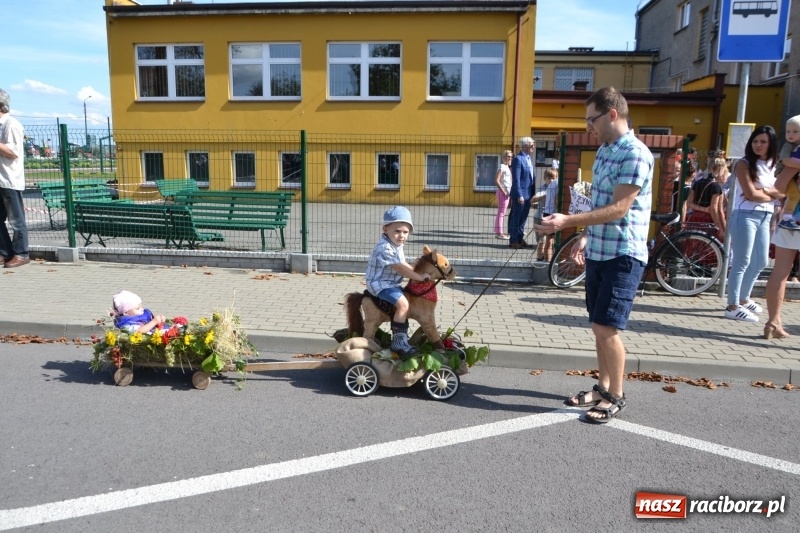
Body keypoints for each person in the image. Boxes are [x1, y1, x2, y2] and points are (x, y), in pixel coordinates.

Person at [535, 87, 653, 424]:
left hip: (623, 254)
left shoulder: (635, 153)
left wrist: (567, 222)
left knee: (606, 328)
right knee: (598, 326)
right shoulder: (604, 150)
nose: (589, 126)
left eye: (592, 119)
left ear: (612, 115)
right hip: (600, 250)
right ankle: (603, 387)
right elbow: (599, 203)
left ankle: (616, 395)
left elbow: (618, 208)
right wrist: (584, 236)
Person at [724, 125, 785, 323]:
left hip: (766, 216)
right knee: (742, 261)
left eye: (763, 141)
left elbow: (783, 192)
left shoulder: (774, 164)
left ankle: (744, 299)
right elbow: (750, 194)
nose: (758, 145)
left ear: (771, 143)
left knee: (760, 262)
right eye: (755, 141)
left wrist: (764, 193)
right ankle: (732, 306)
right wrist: (772, 193)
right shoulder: (744, 164)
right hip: (745, 215)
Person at [365, 206, 431, 359]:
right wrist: (419, 277)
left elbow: (403, 263)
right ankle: (398, 343)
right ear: (385, 229)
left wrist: (415, 271)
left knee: (407, 300)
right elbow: (400, 268)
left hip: (391, 283)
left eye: (405, 232)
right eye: (397, 231)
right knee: (403, 304)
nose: (401, 236)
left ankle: (402, 337)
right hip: (380, 284)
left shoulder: (397, 245)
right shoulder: (385, 248)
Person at [764, 161, 800, 339]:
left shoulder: (795, 158)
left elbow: (778, 186)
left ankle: (773, 322)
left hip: (790, 220)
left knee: (780, 272)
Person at [0, 89, 30, 268]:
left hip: (9, 180)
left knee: (16, 221)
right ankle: (5, 252)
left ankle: (21, 254)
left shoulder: (11, 125)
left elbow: (12, 152)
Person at [685, 156, 727, 239]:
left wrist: (703, 209)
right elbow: (715, 209)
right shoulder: (716, 186)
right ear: (720, 169)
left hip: (694, 219)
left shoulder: (697, 182)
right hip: (708, 222)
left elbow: (689, 203)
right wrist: (721, 228)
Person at [508, 137, 535, 249]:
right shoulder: (518, 159)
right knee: (516, 218)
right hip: (521, 195)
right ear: (524, 146)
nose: (533, 147)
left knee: (523, 218)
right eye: (531, 145)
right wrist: (520, 195)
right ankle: (513, 240)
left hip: (528, 193)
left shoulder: (528, 158)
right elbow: (516, 179)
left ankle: (520, 238)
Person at [775, 115, 800, 230]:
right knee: (794, 195)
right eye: (788, 131)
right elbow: (785, 160)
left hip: (791, 176)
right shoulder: (789, 146)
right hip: (782, 173)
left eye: (795, 131)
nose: (790, 134)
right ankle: (787, 219)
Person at [532, 167, 558, 260]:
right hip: (540, 217)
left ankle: (548, 260)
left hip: (551, 217)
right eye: (549, 178)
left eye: (553, 178)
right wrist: (545, 195)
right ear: (545, 178)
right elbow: (532, 200)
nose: (551, 180)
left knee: (551, 241)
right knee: (541, 241)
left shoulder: (556, 188)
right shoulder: (543, 188)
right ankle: (539, 259)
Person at [493, 150, 513, 239]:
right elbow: (497, 180)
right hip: (503, 193)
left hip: (506, 193)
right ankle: (499, 233)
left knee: (501, 212)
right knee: (501, 213)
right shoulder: (502, 167)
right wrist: (503, 191)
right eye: (508, 156)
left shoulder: (507, 167)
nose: (510, 158)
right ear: (504, 157)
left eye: (511, 157)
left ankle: (498, 231)